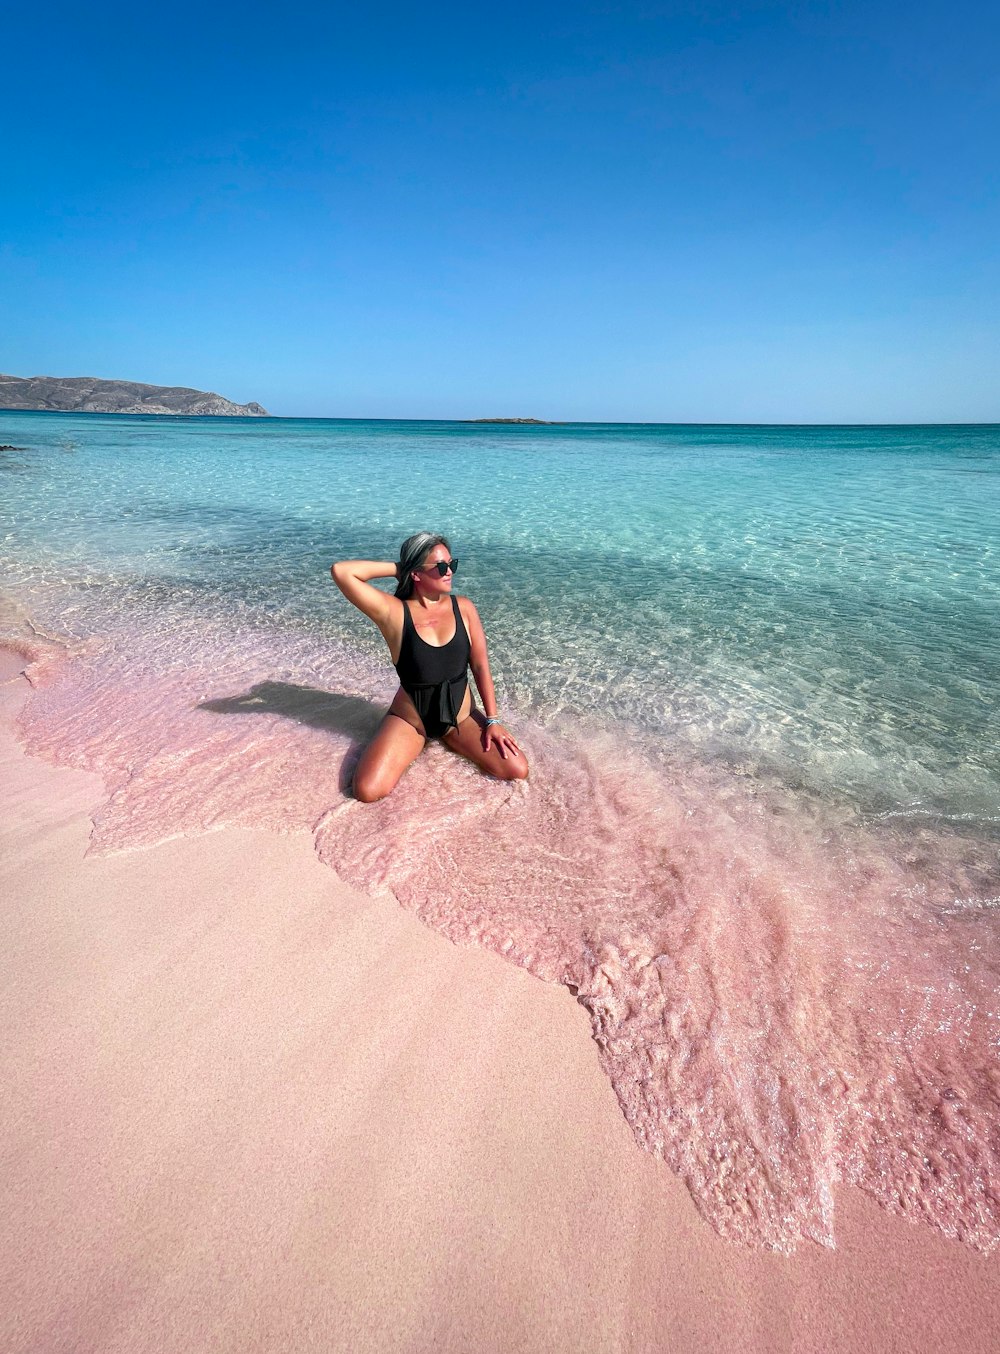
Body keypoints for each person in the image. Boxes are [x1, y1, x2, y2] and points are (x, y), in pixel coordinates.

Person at [331, 533, 529, 802]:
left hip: (460, 718)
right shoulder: (395, 613)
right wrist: (401, 568)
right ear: (416, 575)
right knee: (367, 791)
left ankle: (451, 739)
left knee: (516, 769)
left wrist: (493, 720)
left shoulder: (464, 608)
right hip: (412, 721)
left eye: (451, 564)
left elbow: (481, 666)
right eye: (440, 567)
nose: (449, 572)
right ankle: (405, 739)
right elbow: (342, 572)